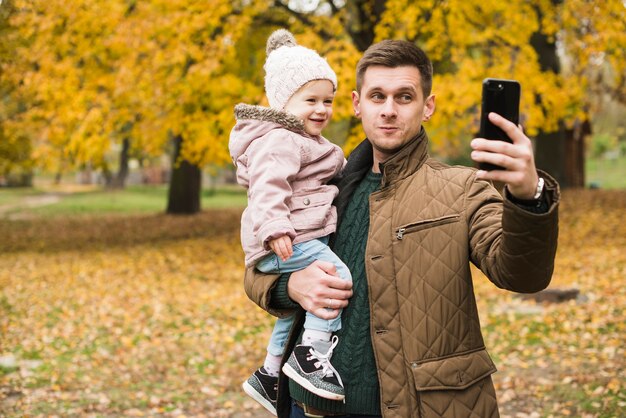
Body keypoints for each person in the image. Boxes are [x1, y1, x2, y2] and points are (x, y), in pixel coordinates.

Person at [244, 38, 560, 418]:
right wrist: (289, 286)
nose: (389, 110)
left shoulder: (462, 188)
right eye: (377, 96)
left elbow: (522, 274)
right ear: (357, 104)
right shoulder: (325, 188)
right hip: (309, 407)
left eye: (404, 97)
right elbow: (257, 267)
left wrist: (528, 196)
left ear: (428, 106)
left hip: (418, 407)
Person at [229, 29, 352, 415]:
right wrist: (275, 229)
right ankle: (309, 356)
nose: (321, 109)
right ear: (284, 103)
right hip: (284, 238)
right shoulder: (280, 140)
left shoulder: (309, 142)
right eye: (310, 100)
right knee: (335, 277)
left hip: (288, 237)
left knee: (294, 309)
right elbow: (267, 187)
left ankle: (269, 374)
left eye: (327, 100)